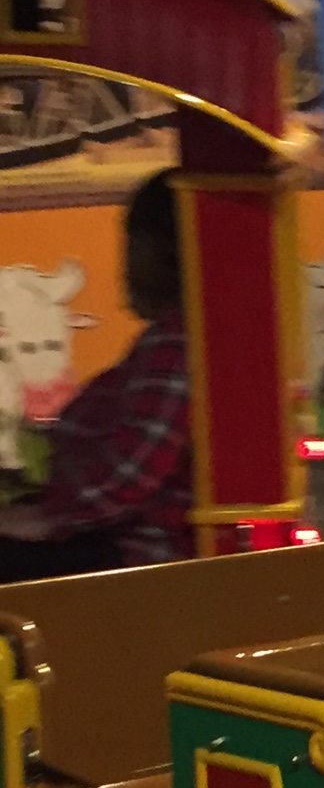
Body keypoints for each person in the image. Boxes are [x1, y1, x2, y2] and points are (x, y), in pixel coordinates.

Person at [0, 170, 192, 577]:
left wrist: (47, 518)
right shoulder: (185, 336)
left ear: (158, 251)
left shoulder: (177, 343)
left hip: (136, 548)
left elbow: (129, 470)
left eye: (132, 245)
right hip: (112, 529)